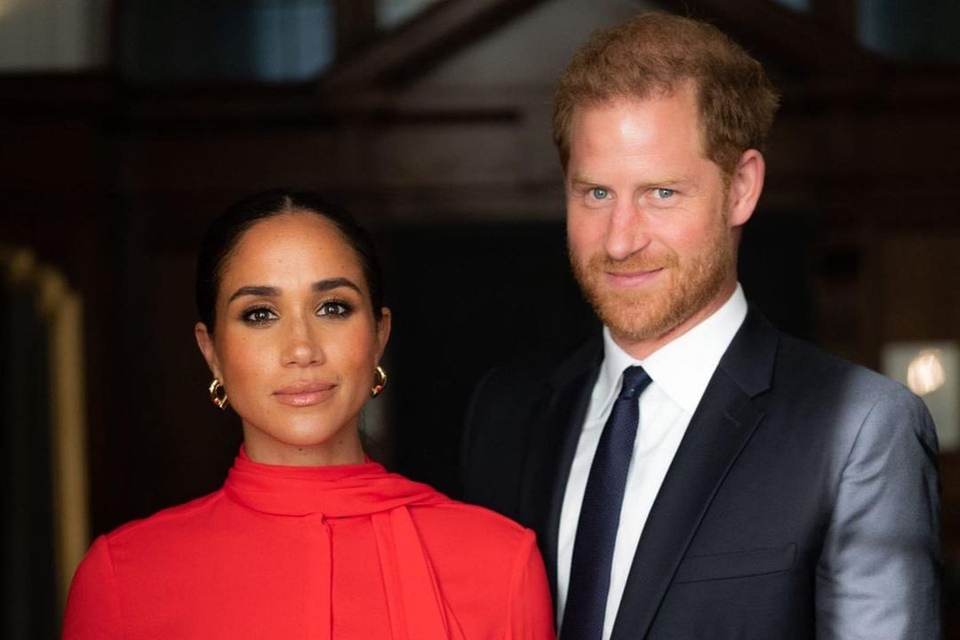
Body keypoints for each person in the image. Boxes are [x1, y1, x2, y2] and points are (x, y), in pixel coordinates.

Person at [461, 12, 941, 640]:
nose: (621, 239)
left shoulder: (859, 428)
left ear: (741, 187)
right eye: (596, 194)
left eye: (661, 192)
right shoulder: (506, 413)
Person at [63, 189, 555, 639]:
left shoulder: (500, 562)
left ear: (379, 335)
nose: (301, 349)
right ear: (210, 350)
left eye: (333, 308)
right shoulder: (125, 577)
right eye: (260, 314)